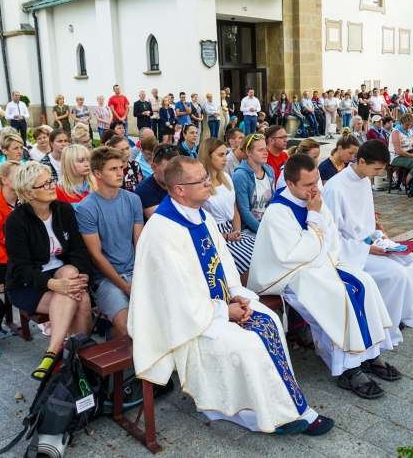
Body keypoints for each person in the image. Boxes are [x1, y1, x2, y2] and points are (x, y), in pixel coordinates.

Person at [128, 156, 333, 436]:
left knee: (270, 321)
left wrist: (235, 294)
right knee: (248, 345)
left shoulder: (200, 214)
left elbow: (222, 260)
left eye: (206, 176)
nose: (208, 183)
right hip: (189, 325)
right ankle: (262, 414)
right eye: (200, 180)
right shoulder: (162, 232)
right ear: (179, 190)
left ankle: (283, 404)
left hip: (215, 306)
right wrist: (224, 312)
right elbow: (176, 298)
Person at [249, 154, 399, 399]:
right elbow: (294, 256)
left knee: (364, 283)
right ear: (290, 184)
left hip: (321, 265)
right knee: (338, 298)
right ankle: (347, 370)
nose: (315, 189)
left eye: (316, 181)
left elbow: (331, 240)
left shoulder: (314, 200)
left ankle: (369, 355)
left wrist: (318, 226)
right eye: (308, 184)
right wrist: (314, 217)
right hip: (291, 275)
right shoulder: (278, 212)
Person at [323, 139, 413, 334]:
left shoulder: (363, 179)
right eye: (377, 169)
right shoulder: (336, 188)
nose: (379, 174)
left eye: (381, 169)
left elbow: (363, 219)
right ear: (361, 161)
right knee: (396, 274)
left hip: (370, 241)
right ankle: (384, 325)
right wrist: (366, 248)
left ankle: (403, 315)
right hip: (351, 252)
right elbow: (331, 236)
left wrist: (379, 234)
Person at [5, 162, 92, 379]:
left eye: (52, 180)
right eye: (45, 184)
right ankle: (71, 355)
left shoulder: (63, 210)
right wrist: (52, 284)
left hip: (63, 274)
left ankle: (58, 353)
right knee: (82, 300)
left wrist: (83, 274)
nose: (53, 186)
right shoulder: (16, 221)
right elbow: (20, 268)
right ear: (28, 193)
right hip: (27, 285)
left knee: (71, 273)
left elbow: (78, 249)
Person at [73, 147, 143, 339]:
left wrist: (142, 276)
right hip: (105, 279)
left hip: (135, 270)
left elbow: (140, 243)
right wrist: (125, 286)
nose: (120, 173)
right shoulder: (86, 208)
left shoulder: (133, 200)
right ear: (98, 174)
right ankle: (111, 338)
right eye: (113, 169)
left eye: (121, 167)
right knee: (127, 330)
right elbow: (96, 256)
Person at [199, 138, 256, 279]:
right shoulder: (202, 184)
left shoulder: (226, 177)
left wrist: (237, 232)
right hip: (214, 234)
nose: (225, 159)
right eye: (220, 155)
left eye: (225, 154)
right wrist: (226, 237)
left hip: (232, 230)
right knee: (247, 262)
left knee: (261, 251)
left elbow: (234, 209)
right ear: (208, 156)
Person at [233, 133, 274, 234]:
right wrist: (264, 231)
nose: (266, 152)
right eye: (260, 150)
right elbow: (244, 212)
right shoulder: (240, 176)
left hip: (268, 223)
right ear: (248, 152)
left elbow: (272, 203)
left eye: (266, 148)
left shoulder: (269, 170)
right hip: (249, 229)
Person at [135, 143, 179, 219]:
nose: (173, 173)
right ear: (154, 167)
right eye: (167, 169)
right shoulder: (144, 190)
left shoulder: (184, 183)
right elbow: (161, 220)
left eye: (177, 168)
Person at [390, 114, 413, 191]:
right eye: (407, 125)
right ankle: (404, 183)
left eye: (410, 125)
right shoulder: (396, 132)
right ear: (402, 123)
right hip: (397, 157)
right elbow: (399, 151)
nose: (409, 127)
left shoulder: (410, 131)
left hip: (410, 154)